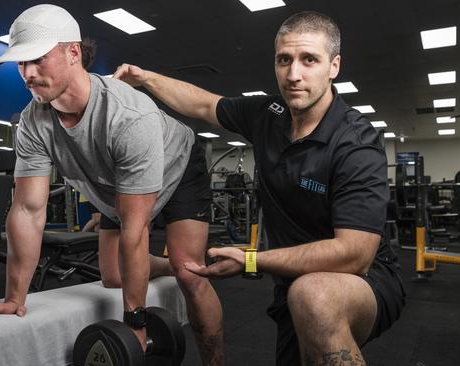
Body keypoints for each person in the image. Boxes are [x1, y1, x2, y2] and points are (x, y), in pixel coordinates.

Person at [113, 11, 405, 366]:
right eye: (285, 60)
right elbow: (204, 103)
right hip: (291, 282)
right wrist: (146, 79)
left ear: (334, 66)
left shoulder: (355, 143)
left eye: (309, 60)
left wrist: (251, 258)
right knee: (300, 313)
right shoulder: (269, 113)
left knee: (312, 294)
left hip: (364, 279)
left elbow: (354, 254)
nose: (293, 75)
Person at [0, 4, 223, 364]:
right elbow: (27, 210)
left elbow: (136, 228)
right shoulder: (32, 122)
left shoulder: (128, 116)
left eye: (38, 60)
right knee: (113, 276)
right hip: (117, 185)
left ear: (73, 52)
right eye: (21, 63)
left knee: (191, 276)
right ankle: (166, 264)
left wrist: (135, 321)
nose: (27, 73)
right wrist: (15, 298)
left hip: (178, 166)